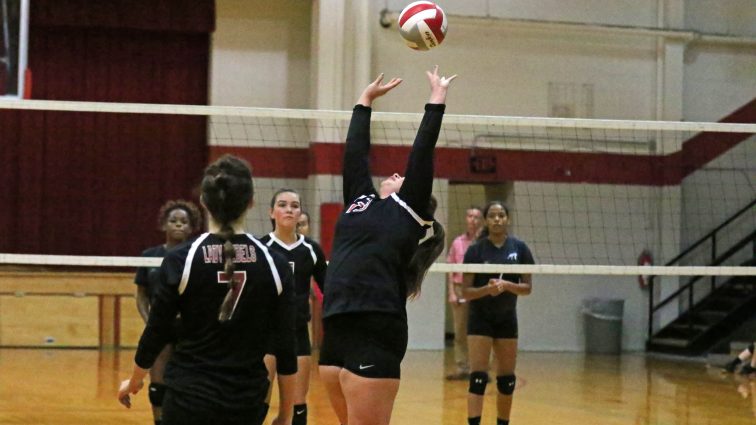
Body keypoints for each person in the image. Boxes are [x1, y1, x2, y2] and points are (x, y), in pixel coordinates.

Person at [318, 66, 456, 425]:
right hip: (336, 323)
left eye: (403, 178)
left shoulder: (408, 211)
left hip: (375, 325)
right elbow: (355, 157)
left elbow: (421, 152)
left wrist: (436, 100)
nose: (396, 174)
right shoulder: (360, 201)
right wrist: (364, 102)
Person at [118, 155, 298, 425]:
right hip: (246, 402)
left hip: (188, 399)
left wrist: (134, 380)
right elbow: (286, 344)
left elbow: (156, 330)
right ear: (251, 202)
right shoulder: (276, 264)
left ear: (203, 201)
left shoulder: (182, 261)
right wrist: (286, 413)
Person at [461, 201, 534, 425]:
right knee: (478, 378)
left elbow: (527, 287)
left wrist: (507, 286)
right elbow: (466, 291)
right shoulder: (475, 250)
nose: (497, 219)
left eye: (501, 215)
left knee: (506, 380)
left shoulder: (519, 248)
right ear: (486, 220)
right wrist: (487, 290)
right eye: (492, 216)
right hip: (480, 319)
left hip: (506, 319)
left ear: (507, 219)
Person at [261, 190, 328, 425]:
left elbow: (328, 289)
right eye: (282, 204)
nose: (289, 209)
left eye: (294, 205)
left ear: (300, 213)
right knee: (258, 402)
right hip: (264, 334)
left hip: (298, 332)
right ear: (272, 212)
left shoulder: (311, 250)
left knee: (297, 409)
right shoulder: (261, 248)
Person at [133, 199, 201, 425]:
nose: (179, 225)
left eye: (184, 222)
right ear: (164, 225)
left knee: (186, 382)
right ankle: (159, 421)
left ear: (192, 227)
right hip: (161, 327)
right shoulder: (148, 255)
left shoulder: (195, 255)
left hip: (188, 329)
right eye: (174, 221)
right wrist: (151, 321)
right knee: (157, 385)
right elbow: (141, 294)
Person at [445, 206, 483, 381]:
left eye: (476, 217)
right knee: (460, 331)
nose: (472, 219)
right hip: (460, 288)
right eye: (470, 216)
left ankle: (479, 369)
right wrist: (452, 293)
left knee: (480, 331)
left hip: (480, 289)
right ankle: (462, 367)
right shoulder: (457, 242)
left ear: (481, 220)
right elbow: (450, 270)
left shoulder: (485, 242)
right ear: (466, 219)